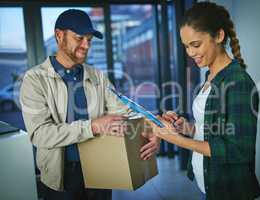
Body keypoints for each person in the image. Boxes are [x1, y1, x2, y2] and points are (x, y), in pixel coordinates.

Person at [20, 9, 159, 200]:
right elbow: (40, 135)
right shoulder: (34, 79)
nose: (86, 45)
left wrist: (153, 128)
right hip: (61, 178)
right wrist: (93, 126)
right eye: (79, 38)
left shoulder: (97, 76)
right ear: (59, 36)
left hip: (100, 171)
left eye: (89, 40)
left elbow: (125, 110)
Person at [148, 2, 260, 200]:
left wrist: (177, 140)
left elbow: (238, 150)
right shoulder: (210, 76)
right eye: (186, 46)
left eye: (196, 44)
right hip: (209, 188)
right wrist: (186, 128)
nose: (190, 53)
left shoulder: (238, 82)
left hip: (230, 192)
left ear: (219, 36)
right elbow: (213, 130)